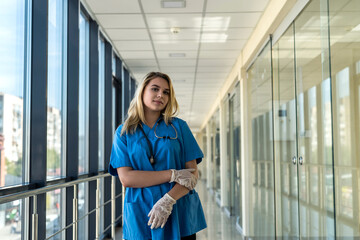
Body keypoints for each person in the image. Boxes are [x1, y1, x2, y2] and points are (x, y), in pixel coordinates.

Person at [109, 72, 207, 240]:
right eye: (155, 89)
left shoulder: (179, 127)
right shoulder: (124, 133)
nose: (161, 95)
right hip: (142, 213)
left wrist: (168, 200)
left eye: (166, 92)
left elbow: (191, 175)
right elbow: (126, 178)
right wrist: (172, 174)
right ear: (142, 92)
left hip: (178, 209)